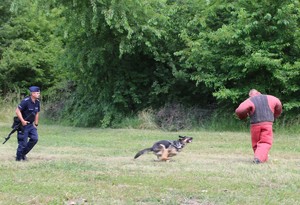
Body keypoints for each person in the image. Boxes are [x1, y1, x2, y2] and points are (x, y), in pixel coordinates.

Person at [235, 89, 282, 164]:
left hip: (255, 125)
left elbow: (239, 110)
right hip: (267, 124)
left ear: (250, 95)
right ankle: (259, 159)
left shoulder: (250, 100)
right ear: (259, 93)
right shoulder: (271, 98)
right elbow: (278, 104)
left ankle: (260, 158)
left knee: (256, 143)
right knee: (265, 142)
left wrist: (242, 116)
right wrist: (275, 115)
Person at [15, 86, 41, 161]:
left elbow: (36, 113)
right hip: (23, 125)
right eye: (37, 93)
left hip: (31, 125)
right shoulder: (25, 101)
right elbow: (17, 111)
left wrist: (36, 124)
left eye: (39, 93)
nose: (39, 94)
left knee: (35, 139)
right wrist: (22, 121)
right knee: (23, 142)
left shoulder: (37, 102)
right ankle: (19, 158)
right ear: (32, 93)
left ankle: (23, 154)